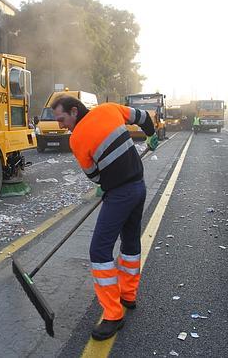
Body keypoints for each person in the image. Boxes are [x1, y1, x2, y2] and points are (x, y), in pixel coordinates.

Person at [51, 96, 158, 341]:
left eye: (62, 119)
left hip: (120, 194)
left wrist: (105, 184)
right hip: (138, 187)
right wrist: (152, 134)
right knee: (130, 243)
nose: (60, 125)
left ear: (74, 111)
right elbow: (142, 117)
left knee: (99, 252)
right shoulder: (110, 109)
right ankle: (128, 296)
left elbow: (94, 175)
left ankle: (113, 314)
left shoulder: (76, 139)